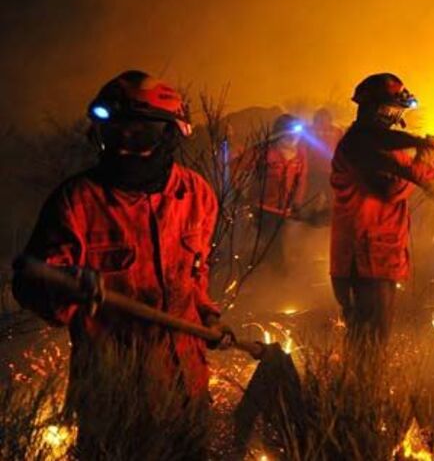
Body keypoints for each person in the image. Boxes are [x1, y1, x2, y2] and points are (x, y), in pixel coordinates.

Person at [12, 70, 232, 458]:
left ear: (170, 135)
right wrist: (65, 284)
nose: (126, 147)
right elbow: (29, 286)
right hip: (114, 398)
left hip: (187, 390)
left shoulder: (196, 194)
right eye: (115, 134)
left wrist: (209, 317)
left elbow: (195, 278)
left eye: (140, 135)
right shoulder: (77, 202)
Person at [330, 73, 434, 348]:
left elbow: (415, 175)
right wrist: (424, 156)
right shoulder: (359, 146)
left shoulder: (377, 145)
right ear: (382, 110)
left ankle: (360, 375)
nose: (399, 116)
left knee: (371, 339)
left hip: (377, 259)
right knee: (369, 342)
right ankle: (361, 377)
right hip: (364, 260)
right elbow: (393, 189)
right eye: (396, 109)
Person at [238, 113, 310, 272]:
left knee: (275, 246)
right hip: (263, 208)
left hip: (285, 210)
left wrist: (297, 202)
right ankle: (278, 277)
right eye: (290, 132)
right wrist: (239, 193)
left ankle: (254, 269)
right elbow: (237, 167)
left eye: (297, 133)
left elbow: (301, 179)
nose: (294, 137)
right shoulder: (264, 151)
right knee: (275, 250)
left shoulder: (300, 153)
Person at [305, 107, 343, 203]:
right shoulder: (310, 130)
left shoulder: (337, 131)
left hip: (327, 170)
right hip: (315, 170)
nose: (322, 122)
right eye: (320, 119)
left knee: (329, 197)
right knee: (312, 196)